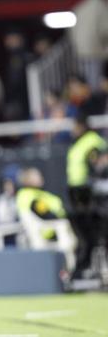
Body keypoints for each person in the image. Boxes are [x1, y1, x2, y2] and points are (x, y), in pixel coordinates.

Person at [67, 114, 107, 278]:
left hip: (89, 193)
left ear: (82, 126)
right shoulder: (80, 142)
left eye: (75, 126)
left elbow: (98, 165)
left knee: (95, 230)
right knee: (85, 232)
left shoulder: (92, 141)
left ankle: (90, 266)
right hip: (79, 192)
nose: (72, 130)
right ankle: (85, 266)